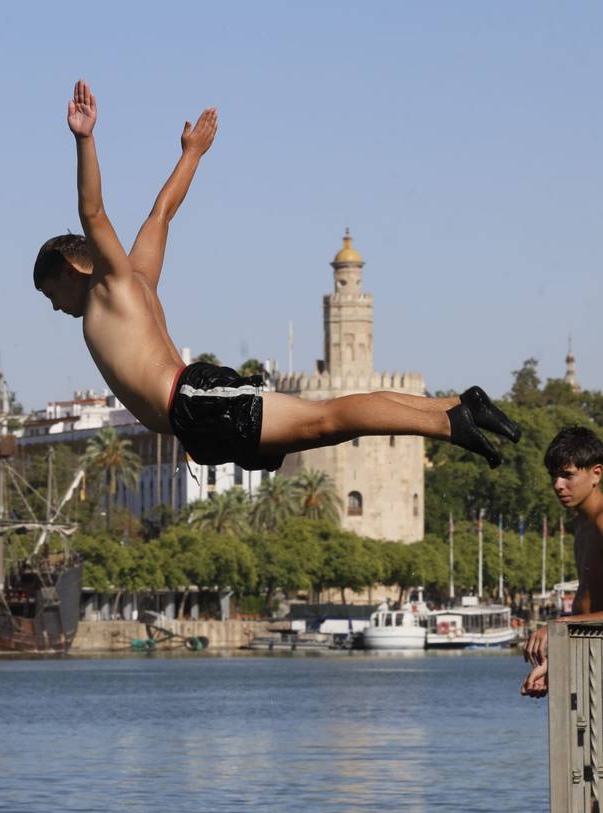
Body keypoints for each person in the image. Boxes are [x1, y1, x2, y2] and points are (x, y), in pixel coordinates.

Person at [34, 79, 521, 473]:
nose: (54, 305)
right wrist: (191, 154)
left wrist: (85, 140)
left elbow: (93, 211)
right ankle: (456, 406)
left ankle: (448, 422)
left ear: (71, 269)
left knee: (326, 419)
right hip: (195, 415)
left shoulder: (112, 285)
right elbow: (162, 213)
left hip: (194, 401)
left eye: (50, 291)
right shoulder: (137, 278)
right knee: (327, 424)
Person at [522, 426, 603, 698]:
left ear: (596, 473)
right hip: (590, 662)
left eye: (568, 475)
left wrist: (559, 626)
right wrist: (555, 665)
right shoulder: (581, 525)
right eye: (554, 476)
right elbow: (589, 607)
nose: (558, 485)